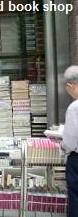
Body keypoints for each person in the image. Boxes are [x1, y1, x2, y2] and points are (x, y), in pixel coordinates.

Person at [61, 65, 78, 217]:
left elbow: (70, 141)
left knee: (75, 197)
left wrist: (62, 145)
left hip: (77, 159)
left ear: (70, 86)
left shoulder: (74, 107)